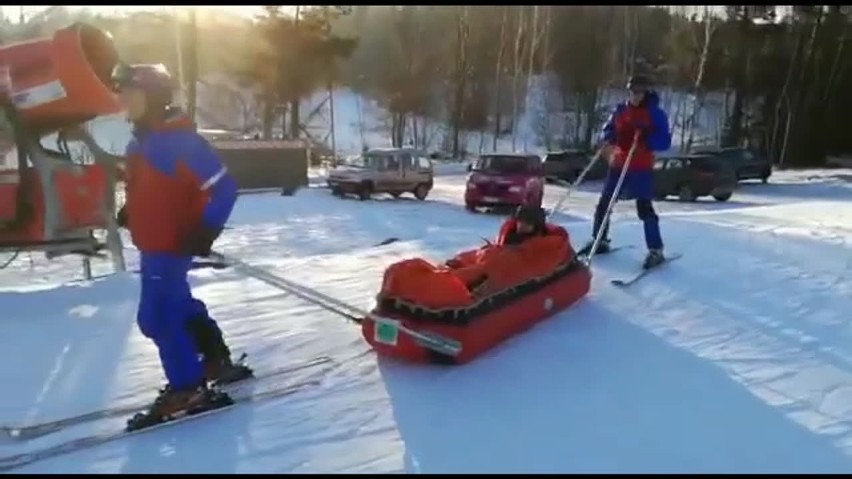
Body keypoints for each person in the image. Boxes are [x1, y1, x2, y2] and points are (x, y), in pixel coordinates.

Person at [109, 63, 250, 420]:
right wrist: (131, 209)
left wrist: (205, 231)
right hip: (151, 244)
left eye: (132, 93)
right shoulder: (137, 143)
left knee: (156, 317)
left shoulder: (183, 142)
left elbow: (225, 189)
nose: (123, 99)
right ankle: (213, 357)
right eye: (121, 92)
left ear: (153, 97)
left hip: (173, 246)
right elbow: (152, 186)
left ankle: (188, 387)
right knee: (178, 305)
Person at [578, 74, 672, 269]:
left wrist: (647, 139)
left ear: (646, 93)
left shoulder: (655, 114)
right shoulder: (621, 110)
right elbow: (608, 128)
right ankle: (600, 239)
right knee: (605, 203)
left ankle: (656, 249)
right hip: (619, 163)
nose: (635, 96)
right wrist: (610, 135)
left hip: (640, 166)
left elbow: (665, 140)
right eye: (632, 91)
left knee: (644, 207)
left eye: (639, 92)